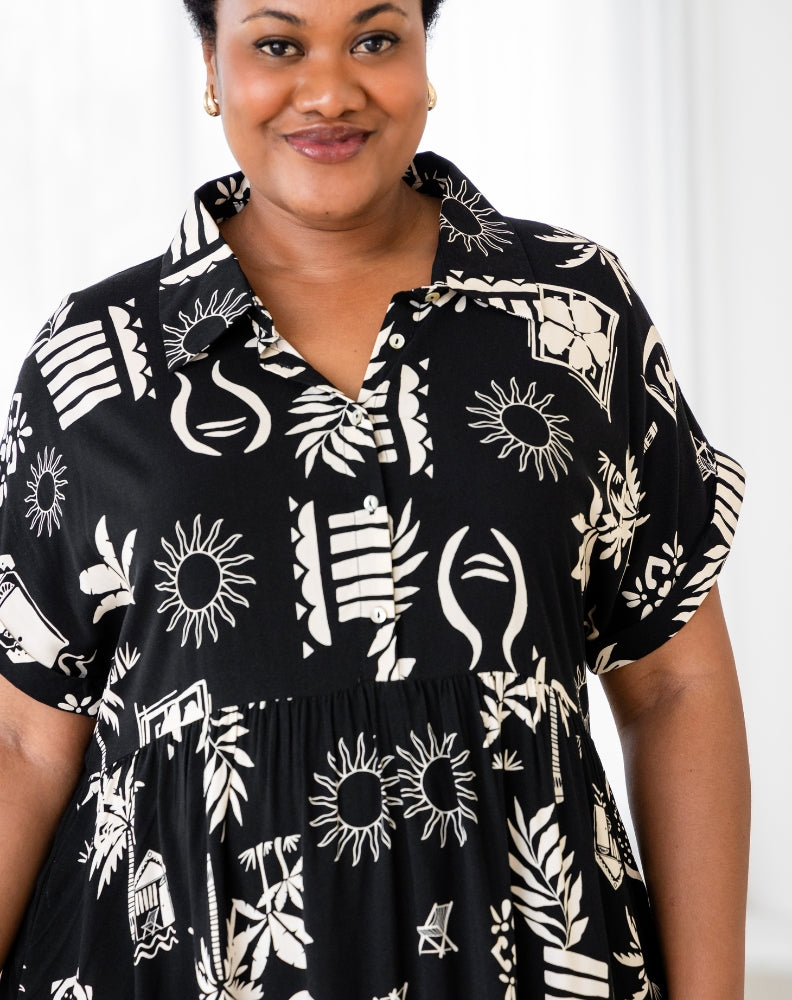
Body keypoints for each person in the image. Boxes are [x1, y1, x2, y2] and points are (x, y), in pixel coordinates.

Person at [0, 0, 749, 997]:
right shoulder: (94, 358)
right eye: (277, 44)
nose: (329, 89)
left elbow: (675, 689)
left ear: (425, 57)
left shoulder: (570, 310)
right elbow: (23, 742)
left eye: (374, 38)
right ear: (213, 66)